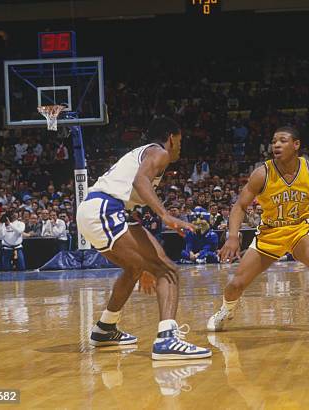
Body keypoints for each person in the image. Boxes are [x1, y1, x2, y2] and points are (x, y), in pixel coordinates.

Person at [207, 126, 309, 335]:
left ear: (296, 145)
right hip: (269, 234)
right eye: (274, 141)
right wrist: (232, 236)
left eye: (282, 140)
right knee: (236, 284)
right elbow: (239, 206)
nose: (276, 145)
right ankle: (226, 310)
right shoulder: (261, 173)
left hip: (299, 229)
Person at [76, 116, 210, 360]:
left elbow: (134, 196)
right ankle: (167, 340)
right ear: (171, 137)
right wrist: (166, 215)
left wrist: (146, 260)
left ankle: (105, 328)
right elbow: (141, 181)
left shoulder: (142, 153)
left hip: (94, 211)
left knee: (135, 268)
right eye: (179, 140)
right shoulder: (159, 152)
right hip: (106, 209)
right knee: (167, 270)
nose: (180, 146)